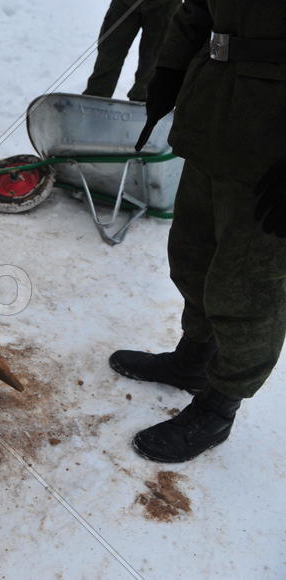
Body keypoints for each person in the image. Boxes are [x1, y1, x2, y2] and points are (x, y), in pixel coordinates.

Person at [113, 0, 286, 462]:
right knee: (192, 259)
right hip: (213, 119)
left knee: (246, 290)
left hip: (272, 152)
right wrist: (168, 70)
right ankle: (194, 358)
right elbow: (196, 9)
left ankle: (219, 405)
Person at [83, 0, 181, 102]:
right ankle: (94, 99)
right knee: (109, 54)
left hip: (166, 6)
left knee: (156, 61)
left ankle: (145, 102)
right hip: (125, 3)